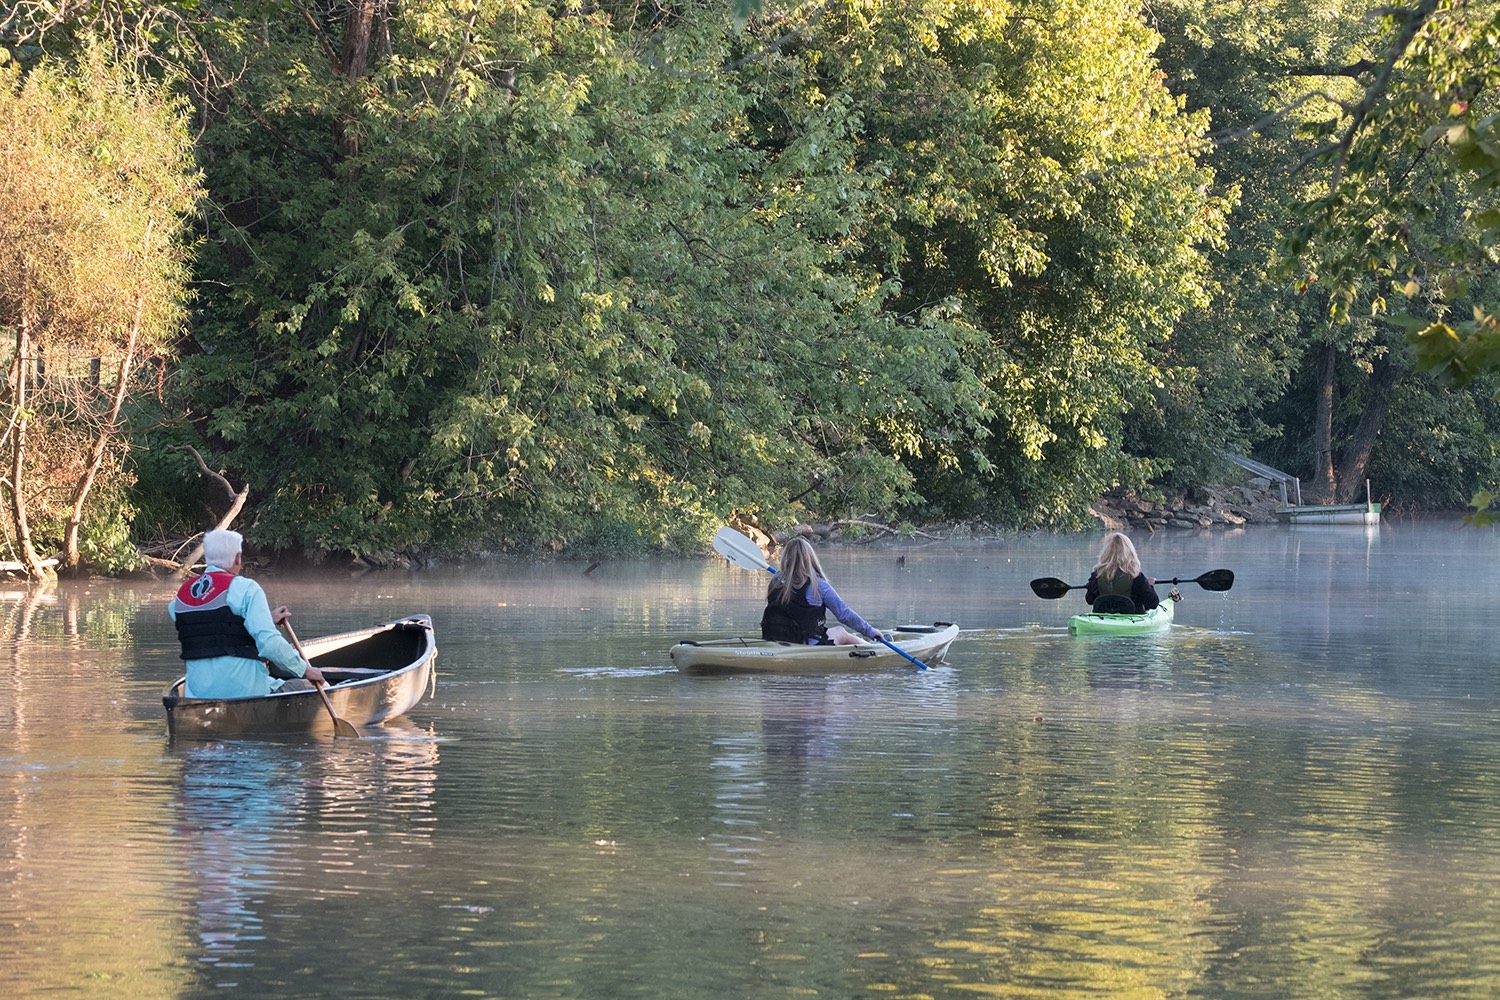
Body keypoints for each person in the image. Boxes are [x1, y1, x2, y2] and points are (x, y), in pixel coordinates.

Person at [169, 528, 325, 698]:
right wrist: (305, 670)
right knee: (317, 685)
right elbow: (270, 645)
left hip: (197, 697)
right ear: (237, 558)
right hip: (247, 693)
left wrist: (267, 619)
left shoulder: (180, 600)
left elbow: (213, 629)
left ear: (208, 558)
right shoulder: (247, 589)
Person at [760, 535, 885, 646]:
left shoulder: (775, 582)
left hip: (776, 641)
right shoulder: (818, 586)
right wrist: (871, 632)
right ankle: (875, 647)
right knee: (840, 632)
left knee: (832, 631)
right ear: (810, 558)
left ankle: (869, 645)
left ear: (785, 558)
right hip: (807, 644)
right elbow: (844, 614)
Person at [1084, 531, 1166, 614]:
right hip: (1132, 619)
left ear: (1106, 552)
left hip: (1102, 618)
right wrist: (1150, 585)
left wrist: (1089, 586)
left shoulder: (1096, 575)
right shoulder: (1136, 576)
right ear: (1130, 552)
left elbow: (1090, 600)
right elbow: (1152, 604)